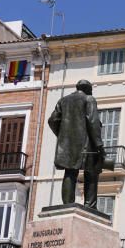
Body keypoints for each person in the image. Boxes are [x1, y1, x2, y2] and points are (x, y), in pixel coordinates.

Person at [48, 79, 105, 208]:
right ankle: (90, 205)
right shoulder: (89, 99)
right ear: (88, 89)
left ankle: (67, 205)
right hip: (87, 143)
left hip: (67, 145)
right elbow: (93, 122)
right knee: (91, 172)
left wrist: (63, 135)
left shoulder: (63, 101)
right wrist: (99, 145)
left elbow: (52, 120)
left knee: (70, 172)